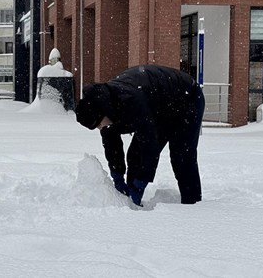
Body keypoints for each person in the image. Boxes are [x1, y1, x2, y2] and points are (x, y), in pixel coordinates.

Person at [75, 65, 205, 206]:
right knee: (135, 155)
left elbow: (150, 145)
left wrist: (141, 182)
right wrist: (117, 175)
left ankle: (192, 204)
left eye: (98, 124)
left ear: (102, 113)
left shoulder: (130, 102)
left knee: (182, 155)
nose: (100, 128)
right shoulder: (105, 106)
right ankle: (132, 201)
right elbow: (112, 144)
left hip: (186, 98)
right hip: (158, 107)